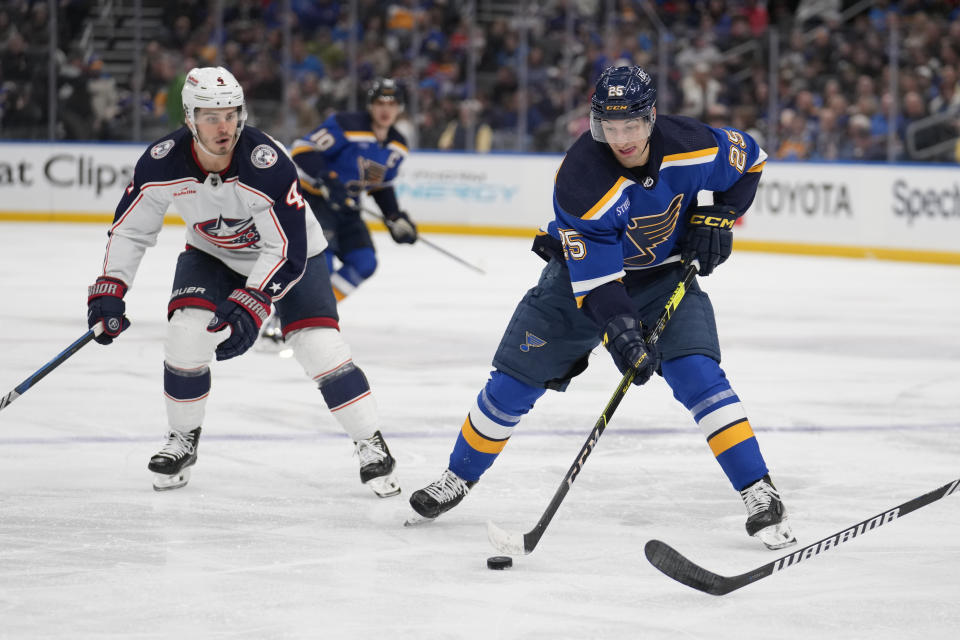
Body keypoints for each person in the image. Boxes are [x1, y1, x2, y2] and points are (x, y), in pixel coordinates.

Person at [407, 65, 797, 551]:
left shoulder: (695, 144)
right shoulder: (581, 179)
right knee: (513, 381)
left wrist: (720, 214)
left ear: (651, 117)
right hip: (579, 284)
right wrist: (623, 333)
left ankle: (759, 490)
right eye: (609, 128)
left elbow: (752, 161)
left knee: (697, 373)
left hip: (663, 275)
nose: (621, 139)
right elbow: (599, 286)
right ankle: (457, 477)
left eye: (631, 126)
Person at [85, 66, 400, 498]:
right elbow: (130, 229)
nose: (224, 127)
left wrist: (253, 301)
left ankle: (371, 442)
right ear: (189, 118)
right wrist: (110, 288)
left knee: (319, 348)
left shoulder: (266, 163)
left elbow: (284, 249)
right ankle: (182, 440)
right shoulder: (161, 161)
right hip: (211, 255)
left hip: (294, 256)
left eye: (231, 114)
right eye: (211, 117)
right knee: (185, 335)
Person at [285, 77, 417, 303]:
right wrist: (328, 178)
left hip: (347, 208)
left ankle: (322, 308)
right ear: (370, 105)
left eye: (392, 104)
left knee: (365, 262)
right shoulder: (347, 124)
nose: (386, 110)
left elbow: (379, 186)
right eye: (380, 103)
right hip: (313, 202)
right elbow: (302, 150)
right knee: (320, 264)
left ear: (400, 109)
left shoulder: (398, 145)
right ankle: (287, 316)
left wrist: (394, 216)